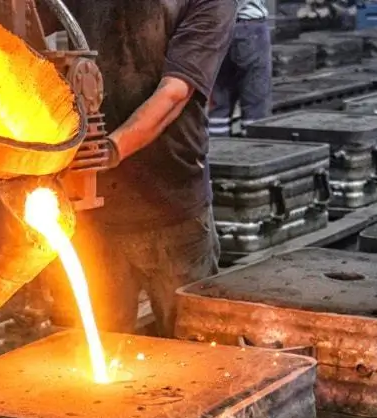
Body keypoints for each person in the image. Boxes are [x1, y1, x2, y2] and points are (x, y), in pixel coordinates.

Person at [39, 1, 236, 337]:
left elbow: (175, 92)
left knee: (194, 348)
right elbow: (31, 19)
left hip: (170, 207)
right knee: (94, 351)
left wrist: (108, 149)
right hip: (95, 210)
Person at [209, 0, 272, 137]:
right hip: (250, 26)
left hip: (214, 27)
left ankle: (217, 151)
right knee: (255, 102)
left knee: (218, 102)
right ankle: (253, 152)